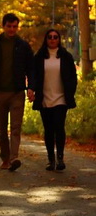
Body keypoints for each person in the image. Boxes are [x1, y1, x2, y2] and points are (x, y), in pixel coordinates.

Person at [0, 13, 34, 171]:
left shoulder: (23, 46)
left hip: (17, 92)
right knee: (2, 128)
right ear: (3, 26)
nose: (12, 29)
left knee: (16, 126)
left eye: (15, 26)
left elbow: (31, 68)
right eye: (9, 26)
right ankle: (5, 158)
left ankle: (14, 158)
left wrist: (31, 87)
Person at [31, 29, 77, 171]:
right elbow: (34, 76)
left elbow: (73, 77)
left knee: (59, 127)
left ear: (59, 39)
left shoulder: (66, 56)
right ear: (46, 39)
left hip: (61, 98)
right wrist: (32, 90)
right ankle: (50, 159)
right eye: (50, 37)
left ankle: (60, 158)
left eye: (55, 37)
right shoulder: (39, 57)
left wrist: (70, 91)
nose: (52, 39)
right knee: (48, 130)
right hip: (44, 98)